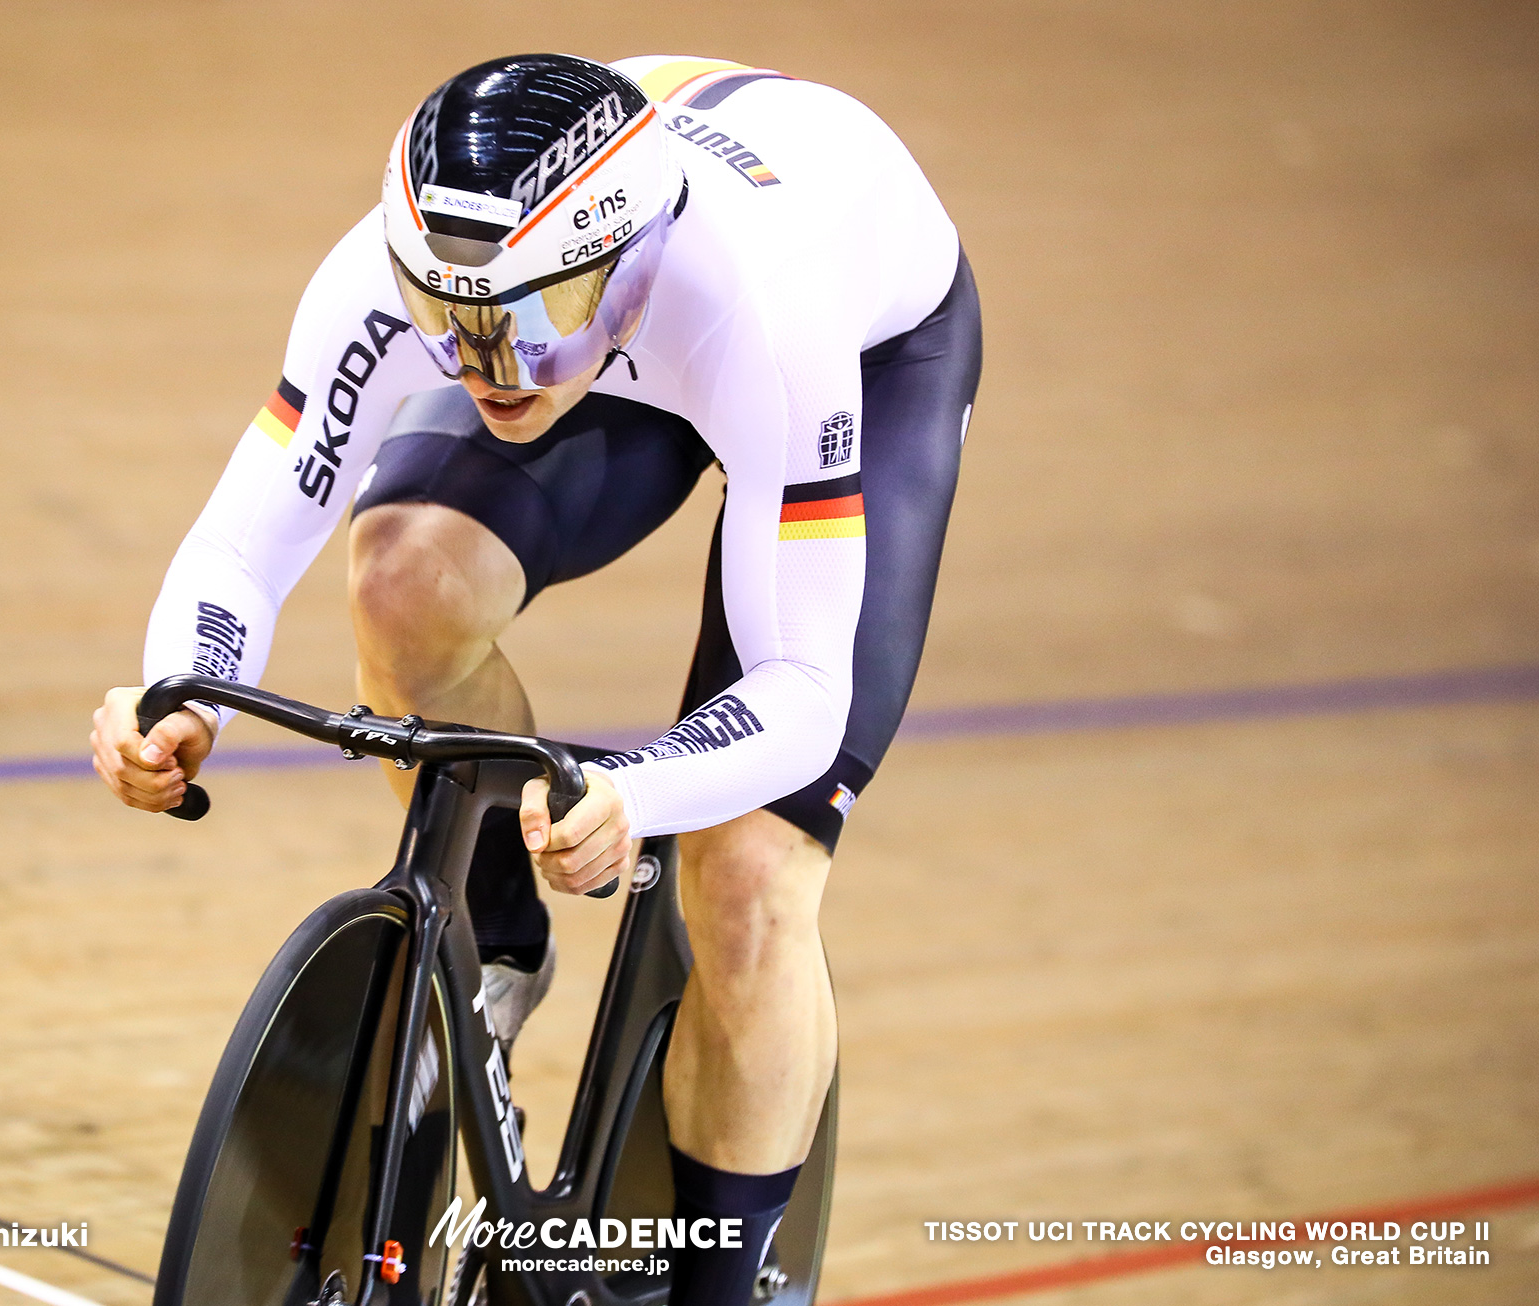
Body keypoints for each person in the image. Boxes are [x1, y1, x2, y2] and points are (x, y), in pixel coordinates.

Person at [91, 53, 979, 1306]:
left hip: (862, 357)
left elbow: (802, 690)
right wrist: (181, 690)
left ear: (612, 258)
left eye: (512, 320)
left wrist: (646, 787)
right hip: (623, 330)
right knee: (402, 579)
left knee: (743, 877)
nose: (480, 361)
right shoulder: (444, 279)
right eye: (446, 318)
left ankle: (727, 1289)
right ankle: (498, 940)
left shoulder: (764, 312)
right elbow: (248, 537)